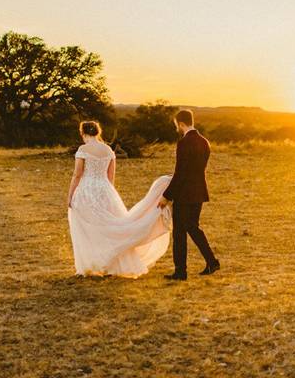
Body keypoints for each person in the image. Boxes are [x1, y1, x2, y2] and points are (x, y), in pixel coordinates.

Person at [67, 120, 171, 277]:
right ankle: (110, 264)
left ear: (83, 133)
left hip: (86, 191)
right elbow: (110, 176)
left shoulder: (83, 149)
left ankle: (92, 264)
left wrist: (70, 195)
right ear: (98, 132)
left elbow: (77, 174)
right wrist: (108, 194)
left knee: (89, 229)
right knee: (110, 227)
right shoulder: (108, 150)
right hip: (105, 190)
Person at [158, 109, 220, 281]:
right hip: (199, 191)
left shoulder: (184, 143)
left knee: (179, 232)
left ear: (181, 124)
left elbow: (181, 173)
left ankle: (180, 271)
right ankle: (212, 261)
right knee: (193, 227)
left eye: (176, 125)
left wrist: (167, 195)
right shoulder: (204, 142)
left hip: (185, 194)